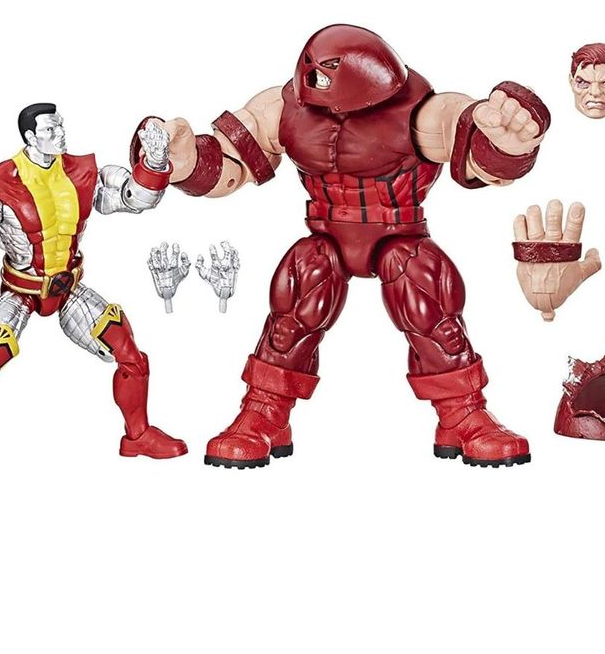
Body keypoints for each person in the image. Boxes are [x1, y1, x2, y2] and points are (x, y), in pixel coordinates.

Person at [147, 24, 550, 469]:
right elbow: (231, 164)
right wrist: (186, 163)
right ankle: (265, 413)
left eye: (325, 76)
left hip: (398, 233)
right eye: (311, 76)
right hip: (327, 233)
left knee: (423, 290)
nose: (315, 83)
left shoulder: (419, 111)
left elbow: (465, 138)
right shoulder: (281, 107)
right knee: (301, 285)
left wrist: (503, 145)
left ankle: (463, 415)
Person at [0, 104, 187, 483]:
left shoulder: (81, 172)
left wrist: (155, 160)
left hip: (68, 288)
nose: (60, 134)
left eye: (60, 126)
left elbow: (134, 198)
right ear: (31, 137)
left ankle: (138, 436)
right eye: (51, 130)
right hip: (21, 290)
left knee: (130, 355)